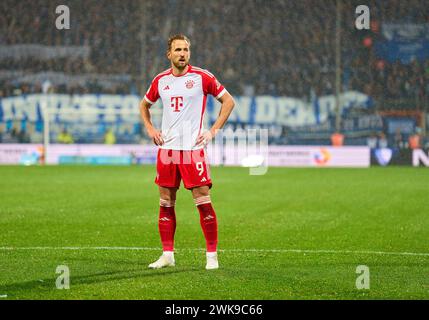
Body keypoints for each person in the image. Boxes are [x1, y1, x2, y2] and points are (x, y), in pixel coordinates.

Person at [139, 34, 235, 270]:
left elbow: (229, 102)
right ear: (169, 54)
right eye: (178, 49)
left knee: (203, 203)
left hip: (192, 150)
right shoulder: (161, 80)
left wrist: (212, 131)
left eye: (186, 49)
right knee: (165, 203)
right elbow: (144, 105)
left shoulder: (202, 77)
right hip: (167, 150)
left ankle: (211, 257)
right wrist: (150, 128)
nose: (183, 53)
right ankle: (167, 255)